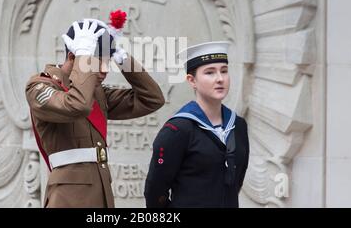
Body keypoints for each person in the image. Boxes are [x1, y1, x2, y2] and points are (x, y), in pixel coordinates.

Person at [26, 11, 165, 208]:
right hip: (68, 199)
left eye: (107, 62)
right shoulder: (39, 86)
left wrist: (123, 59)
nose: (105, 70)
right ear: (74, 56)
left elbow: (152, 99)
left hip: (101, 194)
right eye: (97, 63)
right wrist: (85, 55)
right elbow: (77, 105)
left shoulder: (96, 93)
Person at [144, 41, 249, 208]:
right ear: (192, 80)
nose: (220, 79)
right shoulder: (178, 129)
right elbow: (155, 190)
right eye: (210, 73)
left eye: (224, 71)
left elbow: (237, 181)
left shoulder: (238, 125)